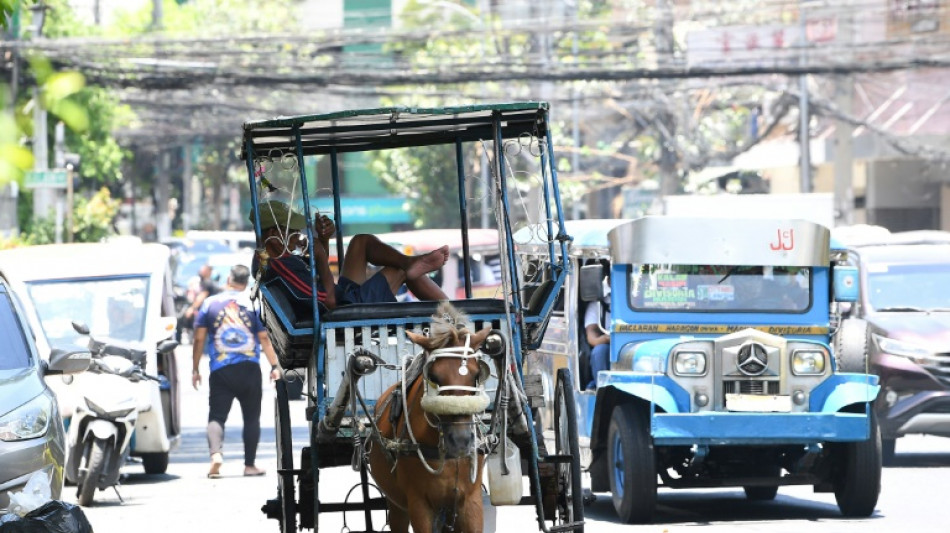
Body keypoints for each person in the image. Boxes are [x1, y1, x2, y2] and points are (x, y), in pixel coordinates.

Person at [251, 200, 449, 309]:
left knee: (360, 241)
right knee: (397, 271)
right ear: (273, 235)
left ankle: (410, 262)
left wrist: (324, 240)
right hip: (342, 309)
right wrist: (320, 257)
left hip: (343, 298)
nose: (297, 235)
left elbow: (317, 277)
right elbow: (327, 301)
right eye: (292, 230)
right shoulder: (279, 265)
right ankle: (454, 316)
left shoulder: (275, 259)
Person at [191, 264, 280, 478]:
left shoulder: (209, 304)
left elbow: (199, 338)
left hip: (221, 370)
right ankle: (249, 465)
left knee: (217, 416)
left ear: (229, 278)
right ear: (245, 282)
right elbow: (264, 338)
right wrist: (274, 365)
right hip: (249, 369)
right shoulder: (253, 304)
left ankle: (216, 456)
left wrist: (195, 368)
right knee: (251, 418)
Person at [178, 264, 220, 342]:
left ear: (208, 271)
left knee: (201, 335)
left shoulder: (207, 282)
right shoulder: (210, 282)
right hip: (213, 313)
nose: (200, 271)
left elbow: (201, 297)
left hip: (208, 313)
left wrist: (191, 309)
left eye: (203, 269)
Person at [584, 276, 611, 390]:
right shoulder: (598, 304)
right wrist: (607, 338)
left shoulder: (645, 301)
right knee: (600, 351)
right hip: (609, 345)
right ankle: (602, 390)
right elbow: (592, 338)